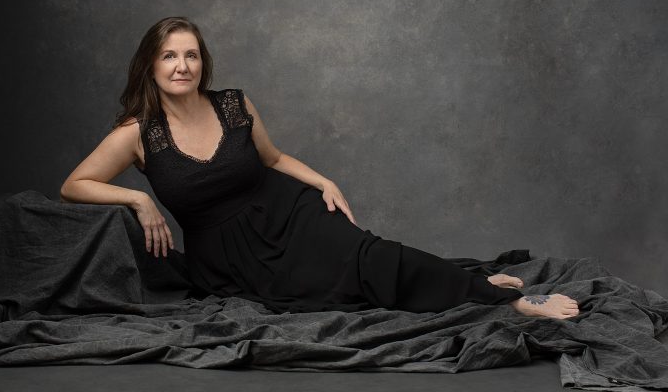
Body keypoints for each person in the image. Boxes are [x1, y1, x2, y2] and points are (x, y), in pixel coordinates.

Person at [61, 16, 580, 319]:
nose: (182, 67)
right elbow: (74, 185)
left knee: (373, 257)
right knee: (340, 296)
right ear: (151, 65)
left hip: (289, 214)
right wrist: (137, 197)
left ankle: (508, 303)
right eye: (170, 56)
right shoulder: (137, 133)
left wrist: (322, 180)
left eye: (192, 56)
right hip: (226, 260)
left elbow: (274, 159)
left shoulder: (233, 104)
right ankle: (469, 281)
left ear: (203, 63)